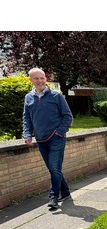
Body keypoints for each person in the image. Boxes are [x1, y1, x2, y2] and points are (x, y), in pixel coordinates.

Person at [23, 68, 73, 210]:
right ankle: (65, 191)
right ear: (31, 80)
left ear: (46, 79)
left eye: (42, 78)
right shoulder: (28, 98)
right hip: (40, 139)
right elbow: (27, 117)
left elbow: (67, 116)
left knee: (53, 167)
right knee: (53, 169)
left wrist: (59, 132)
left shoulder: (56, 96)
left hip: (56, 138)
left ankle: (53, 197)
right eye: (36, 78)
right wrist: (27, 134)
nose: (40, 81)